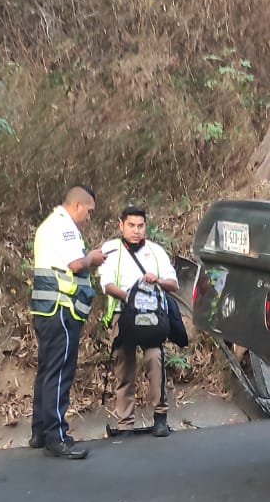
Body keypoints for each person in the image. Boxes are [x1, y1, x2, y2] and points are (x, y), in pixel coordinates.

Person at [29, 184, 108, 459]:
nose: (88, 217)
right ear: (77, 205)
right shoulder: (64, 227)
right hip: (60, 310)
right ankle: (56, 436)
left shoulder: (47, 226)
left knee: (47, 370)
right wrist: (94, 258)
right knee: (59, 372)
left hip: (46, 310)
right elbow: (75, 264)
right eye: (88, 211)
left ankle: (40, 431)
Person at [98, 206, 179, 438]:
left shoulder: (155, 251)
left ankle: (161, 416)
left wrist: (158, 282)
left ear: (146, 227)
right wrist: (132, 298)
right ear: (120, 225)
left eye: (140, 226)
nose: (136, 230)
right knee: (124, 365)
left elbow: (173, 283)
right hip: (123, 314)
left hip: (152, 316)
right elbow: (107, 285)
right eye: (131, 225)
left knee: (154, 358)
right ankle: (125, 423)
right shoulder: (111, 250)